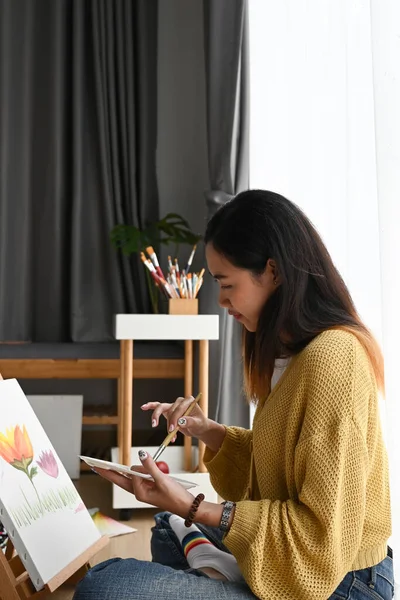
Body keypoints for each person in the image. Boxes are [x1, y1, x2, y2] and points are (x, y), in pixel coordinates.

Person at [74, 190, 394, 600]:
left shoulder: (334, 359)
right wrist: (208, 431)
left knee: (106, 585)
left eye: (227, 284)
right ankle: (222, 579)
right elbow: (276, 474)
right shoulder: (291, 351)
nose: (222, 301)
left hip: (341, 584)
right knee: (166, 530)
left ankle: (220, 578)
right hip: (310, 564)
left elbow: (320, 541)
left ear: (273, 272)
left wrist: (193, 508)